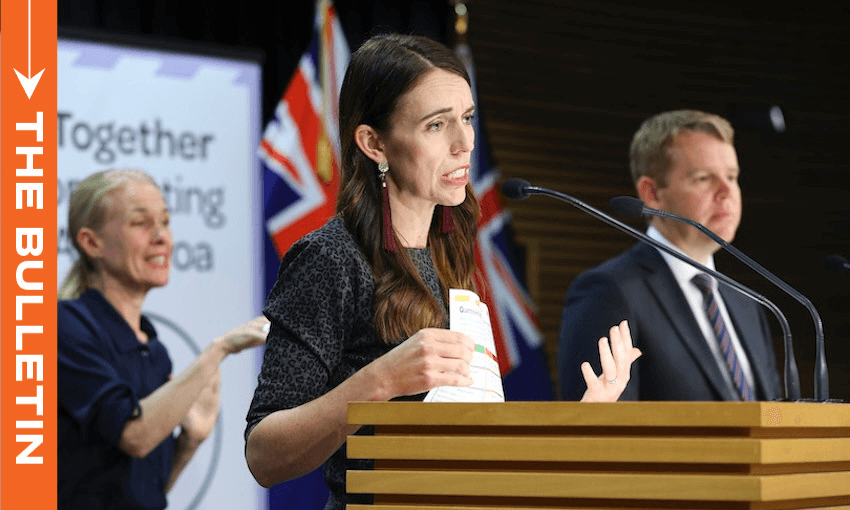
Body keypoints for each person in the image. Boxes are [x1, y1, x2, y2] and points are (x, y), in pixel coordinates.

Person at [244, 33, 641, 510]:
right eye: (437, 125)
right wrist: (380, 380)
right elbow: (263, 454)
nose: (465, 142)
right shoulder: (331, 257)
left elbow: (467, 449)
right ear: (374, 143)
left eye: (468, 118)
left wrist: (578, 424)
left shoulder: (450, 251)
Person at [57, 169, 268, 510]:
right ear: (91, 242)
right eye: (140, 223)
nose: (162, 238)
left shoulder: (155, 351)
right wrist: (219, 350)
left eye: (166, 222)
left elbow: (142, 492)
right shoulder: (64, 326)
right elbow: (135, 436)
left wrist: (190, 442)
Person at [558, 109, 782, 402]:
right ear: (651, 193)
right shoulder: (609, 292)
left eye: (732, 176)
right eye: (704, 178)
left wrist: (786, 432)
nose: (727, 191)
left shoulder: (748, 303)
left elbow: (775, 413)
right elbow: (599, 430)